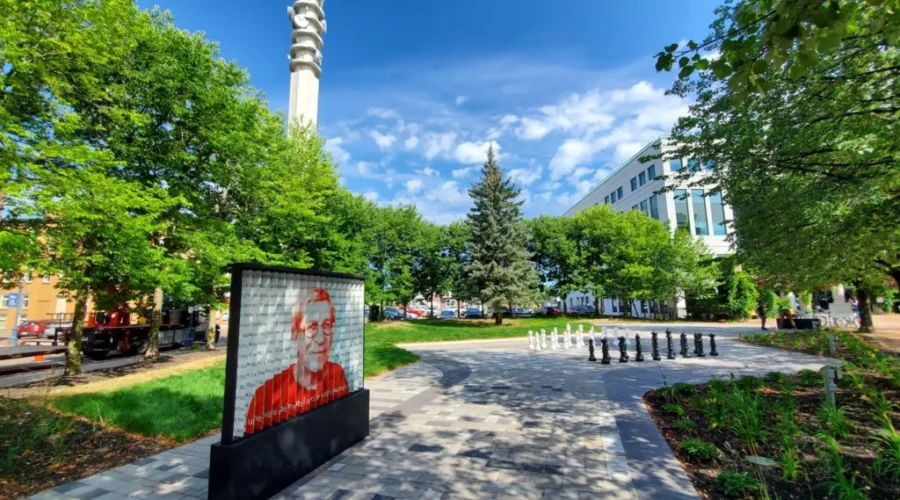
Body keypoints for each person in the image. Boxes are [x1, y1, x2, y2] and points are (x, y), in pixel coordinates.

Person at [244, 287, 349, 435]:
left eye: (326, 326)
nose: (320, 339)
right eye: (311, 327)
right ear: (294, 333)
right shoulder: (266, 397)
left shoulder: (336, 374)